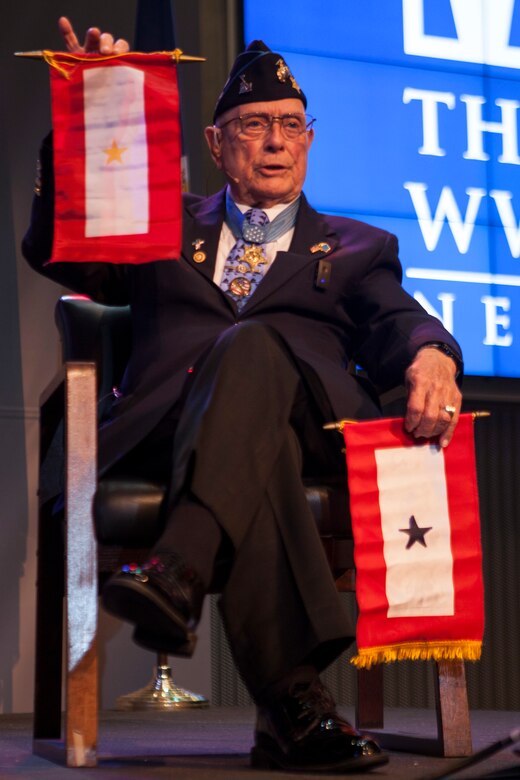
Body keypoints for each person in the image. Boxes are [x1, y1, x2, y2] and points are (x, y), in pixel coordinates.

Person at [23, 17, 463, 774]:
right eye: (255, 125)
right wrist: (94, 108)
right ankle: (292, 703)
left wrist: (432, 355)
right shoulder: (157, 226)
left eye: (291, 126)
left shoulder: (357, 249)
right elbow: (59, 246)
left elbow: (401, 321)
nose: (275, 142)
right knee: (266, 456)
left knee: (257, 350)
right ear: (217, 142)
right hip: (169, 430)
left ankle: (180, 566)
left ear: (310, 141)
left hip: (307, 420)